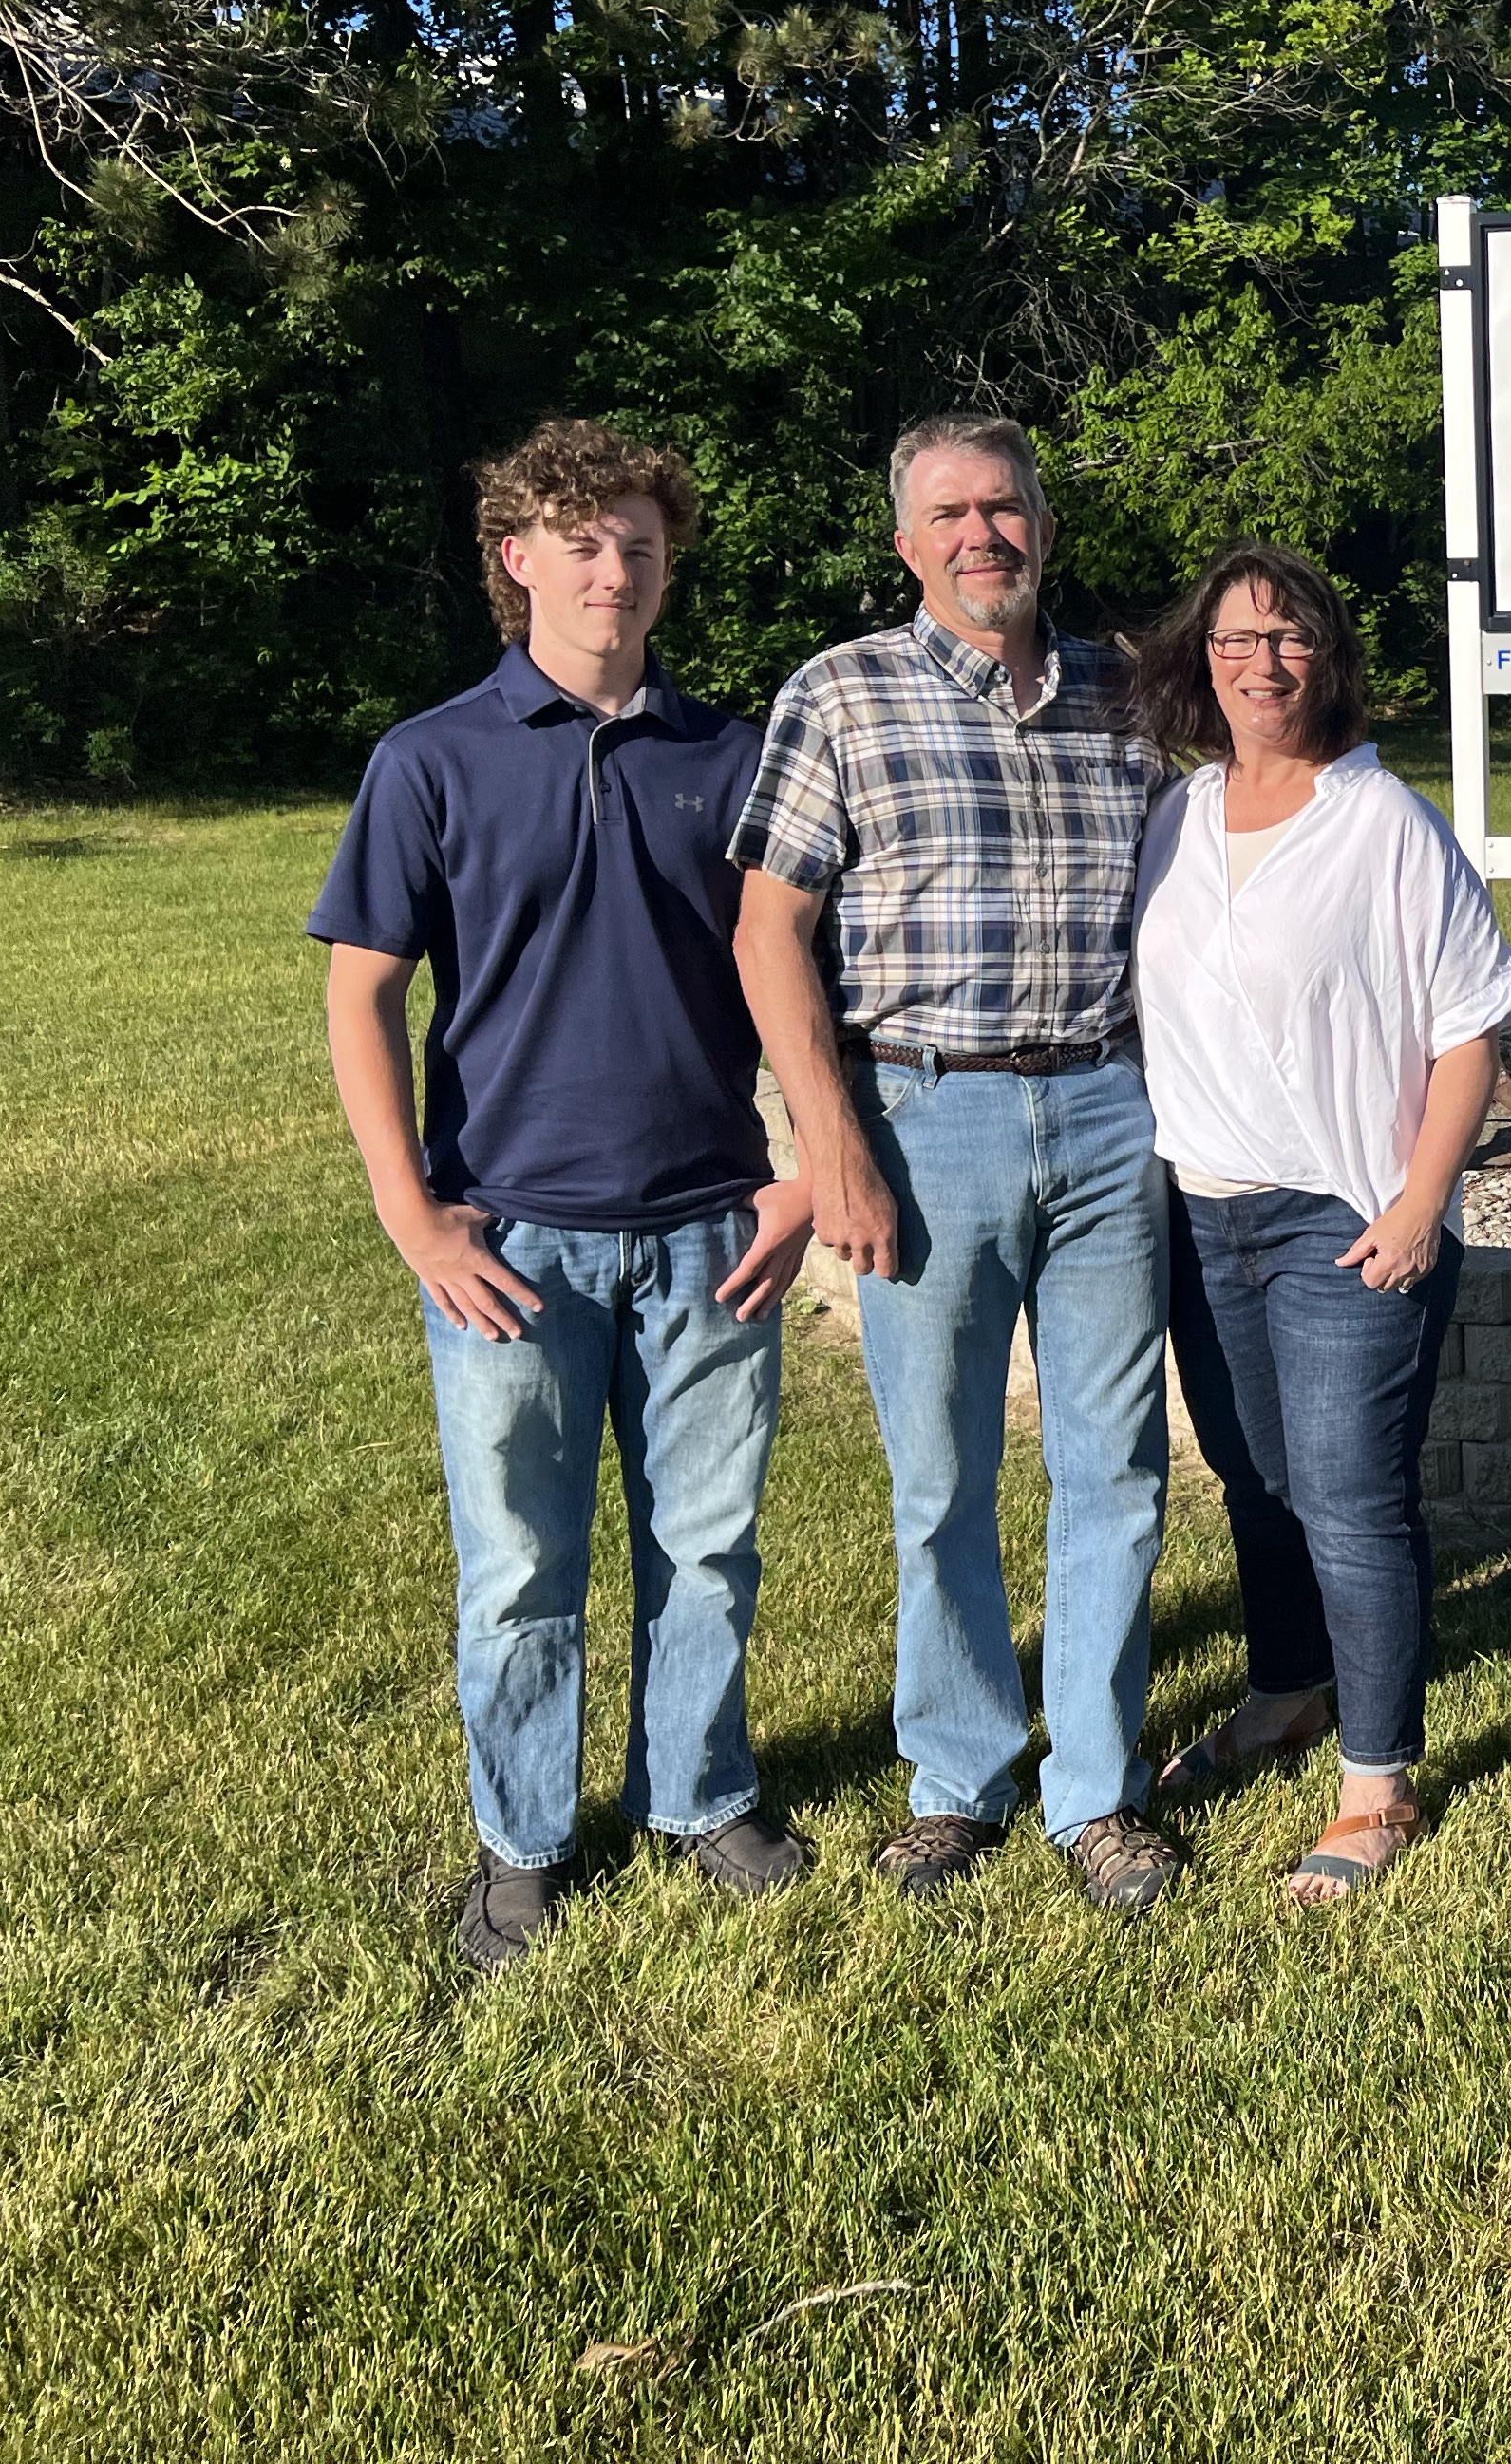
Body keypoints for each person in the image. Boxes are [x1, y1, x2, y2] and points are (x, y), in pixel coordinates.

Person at [310, 420, 818, 1972]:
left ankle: (700, 1791)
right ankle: (523, 1840)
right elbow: (361, 993)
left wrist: (803, 1169)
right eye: (582, 542)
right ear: (515, 559)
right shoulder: (431, 759)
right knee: (522, 1561)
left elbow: (802, 977)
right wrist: (413, 1213)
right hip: (509, 1237)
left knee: (708, 1543)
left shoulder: (734, 758)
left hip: (710, 1226)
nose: (615, 568)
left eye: (641, 546)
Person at [728, 413, 1182, 1913]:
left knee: (1112, 1468)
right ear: (907, 541)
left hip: (1115, 1113)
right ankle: (958, 1775)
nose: (982, 534)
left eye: (1006, 507)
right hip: (929, 1119)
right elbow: (768, 933)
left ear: (1043, 525)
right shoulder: (840, 698)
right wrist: (829, 1145)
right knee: (943, 1480)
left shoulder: (1129, 690)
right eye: (951, 514)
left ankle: (1097, 1791)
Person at [1123, 547, 1511, 1899]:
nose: (1263, 662)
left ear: (1330, 659)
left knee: (1352, 1500)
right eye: (1238, 638)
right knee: (1256, 1481)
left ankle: (1377, 1783)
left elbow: (1473, 1025)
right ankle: (1284, 1691)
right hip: (1202, 1211)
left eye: (1291, 638)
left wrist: (1421, 1201)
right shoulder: (1175, 816)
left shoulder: (1383, 825)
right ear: (1202, 658)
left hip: (1345, 1218)